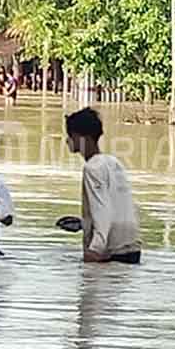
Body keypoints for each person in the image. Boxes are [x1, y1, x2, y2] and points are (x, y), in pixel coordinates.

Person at [57, 108, 142, 264]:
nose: (68, 140)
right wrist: (85, 223)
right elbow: (118, 207)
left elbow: (103, 211)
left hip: (109, 253)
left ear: (82, 137)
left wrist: (94, 250)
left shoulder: (92, 168)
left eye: (70, 135)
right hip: (131, 248)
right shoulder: (113, 162)